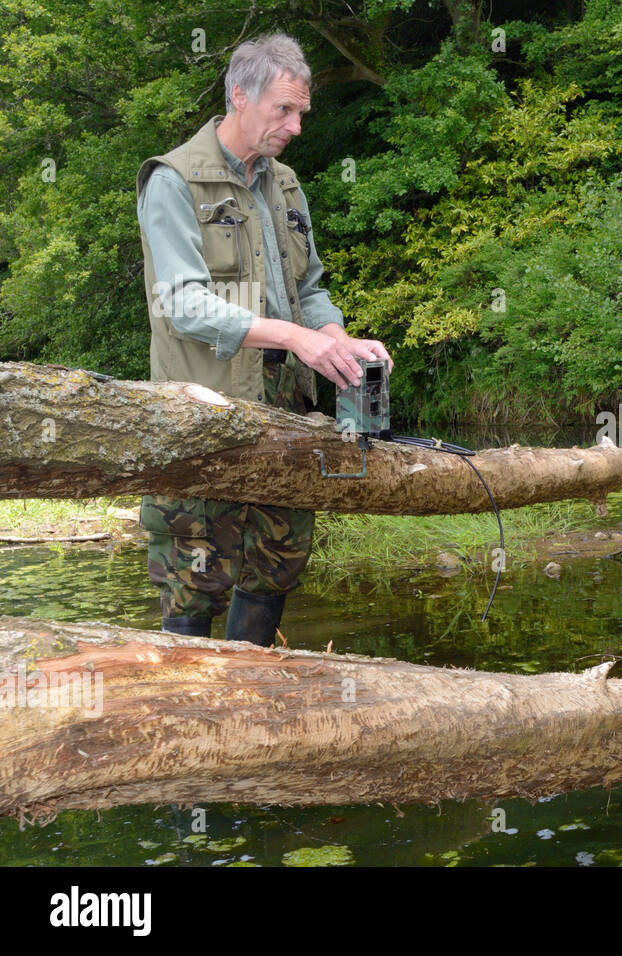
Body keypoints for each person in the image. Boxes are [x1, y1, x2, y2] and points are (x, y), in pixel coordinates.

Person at [135, 33, 390, 644]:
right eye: (285, 110)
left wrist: (335, 338)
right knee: (195, 569)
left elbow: (311, 288)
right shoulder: (175, 182)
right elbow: (183, 305)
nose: (297, 126)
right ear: (240, 97)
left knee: (276, 562)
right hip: (202, 409)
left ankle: (254, 714)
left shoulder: (286, 184)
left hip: (285, 408)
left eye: (302, 111)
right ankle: (188, 721)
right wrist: (293, 336)